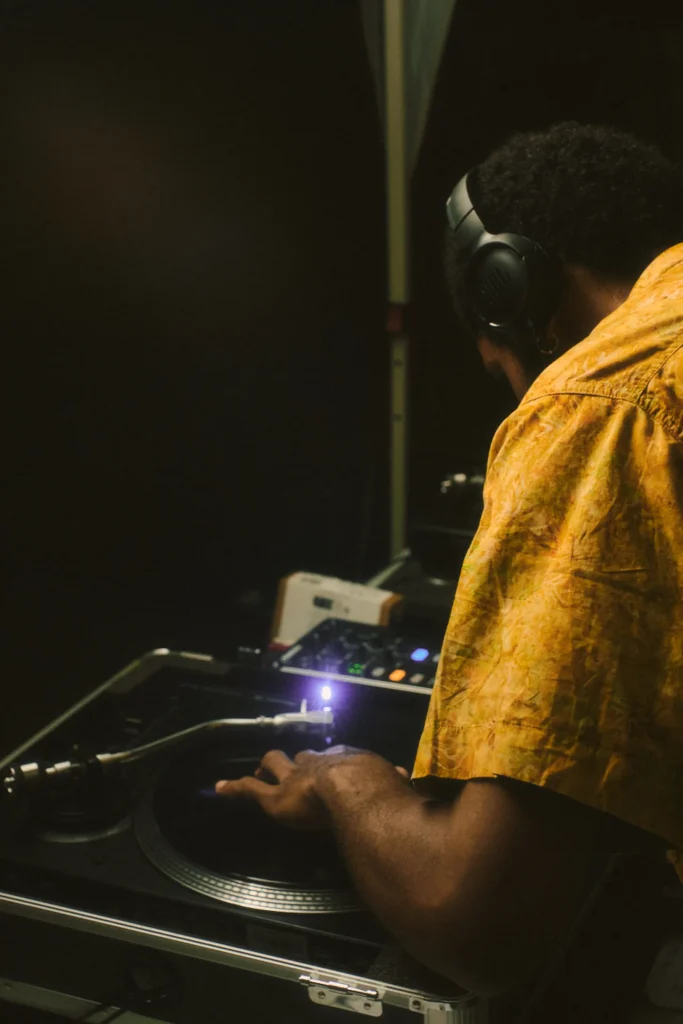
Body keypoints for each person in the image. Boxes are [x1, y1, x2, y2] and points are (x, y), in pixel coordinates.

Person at [216, 123, 683, 1018]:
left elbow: (473, 922)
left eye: (505, 370)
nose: (523, 396)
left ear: (512, 286)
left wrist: (348, 783)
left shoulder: (601, 401)